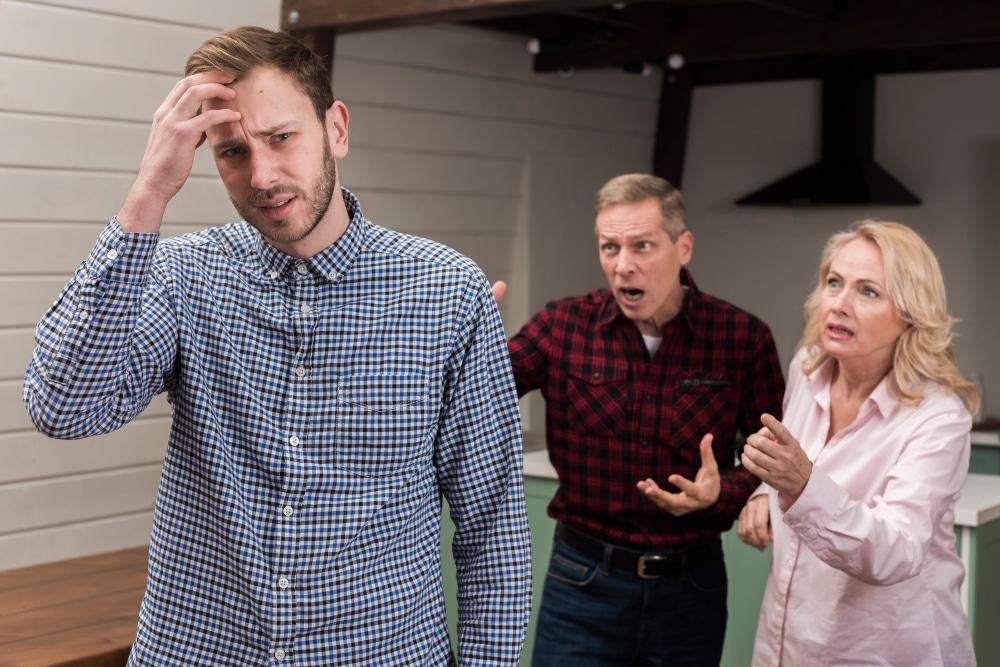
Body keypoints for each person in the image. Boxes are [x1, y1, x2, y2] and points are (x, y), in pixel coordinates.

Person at [22, 26, 531, 666]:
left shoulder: (447, 291)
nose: (262, 175)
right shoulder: (183, 277)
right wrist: (148, 191)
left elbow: (493, 527)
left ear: (336, 129)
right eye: (232, 152)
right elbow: (63, 407)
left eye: (281, 138)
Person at [505, 173, 785, 665]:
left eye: (643, 246)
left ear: (684, 247)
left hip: (691, 588)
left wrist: (724, 492)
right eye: (609, 247)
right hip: (582, 583)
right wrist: (461, 333)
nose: (623, 266)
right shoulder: (561, 326)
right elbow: (472, 394)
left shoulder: (741, 337)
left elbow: (774, 457)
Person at [738, 220, 978, 666]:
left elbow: (896, 551)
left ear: (910, 312)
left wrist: (801, 485)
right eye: (834, 283)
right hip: (789, 646)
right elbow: (794, 468)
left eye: (868, 291)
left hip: (884, 651)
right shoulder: (807, 370)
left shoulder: (939, 418)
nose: (839, 304)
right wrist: (764, 492)